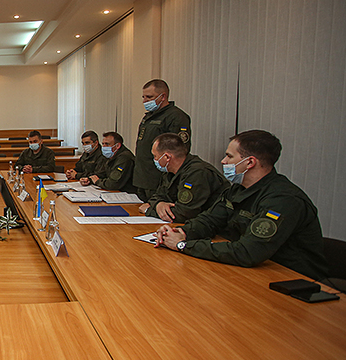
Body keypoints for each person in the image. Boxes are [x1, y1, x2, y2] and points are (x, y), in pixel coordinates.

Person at [154, 130, 327, 280]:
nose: (223, 161)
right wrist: (181, 232)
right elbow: (210, 220)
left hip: (290, 278)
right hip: (248, 270)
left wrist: (183, 245)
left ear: (250, 162)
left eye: (229, 156)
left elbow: (249, 252)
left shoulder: (283, 199)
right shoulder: (238, 189)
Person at [138, 133, 229, 223]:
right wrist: (159, 204)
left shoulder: (197, 173)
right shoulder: (170, 171)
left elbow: (184, 214)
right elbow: (157, 196)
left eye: (155, 156)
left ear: (167, 157)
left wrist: (149, 210)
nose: (155, 160)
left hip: (214, 227)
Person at [133, 79, 191, 201]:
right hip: (143, 178)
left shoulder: (176, 116)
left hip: (158, 180)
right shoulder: (149, 116)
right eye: (143, 97)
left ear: (163, 96)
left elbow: (177, 151)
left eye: (149, 97)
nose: (145, 101)